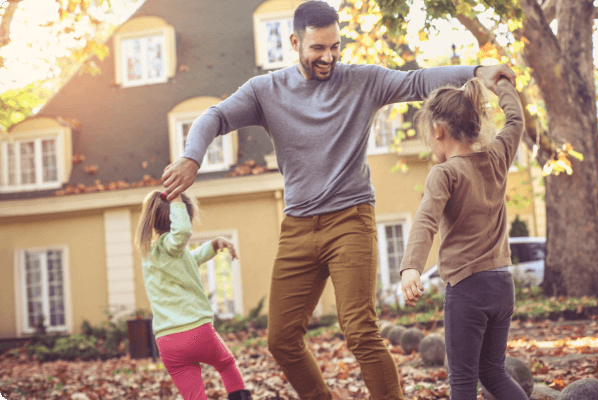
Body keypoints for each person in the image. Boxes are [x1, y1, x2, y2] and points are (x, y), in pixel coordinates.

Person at [161, 1, 516, 398]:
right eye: (317, 48)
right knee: (281, 339)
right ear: (294, 42)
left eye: (335, 47)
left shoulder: (361, 81)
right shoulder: (266, 91)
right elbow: (214, 116)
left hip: (351, 220)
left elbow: (417, 81)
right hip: (297, 227)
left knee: (360, 331)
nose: (328, 57)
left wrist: (476, 73)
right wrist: (192, 157)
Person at [399, 77, 529, 400]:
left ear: (439, 131)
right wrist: (503, 85)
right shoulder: (497, 157)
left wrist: (411, 266)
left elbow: (426, 218)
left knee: (462, 383)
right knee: (493, 372)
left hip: (467, 289)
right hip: (502, 285)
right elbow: (516, 120)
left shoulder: (444, 173)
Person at [135, 190, 252, 400]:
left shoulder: (150, 254)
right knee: (226, 365)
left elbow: (189, 260)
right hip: (196, 330)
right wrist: (177, 197)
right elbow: (181, 233)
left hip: (167, 341)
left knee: (194, 396)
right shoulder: (172, 244)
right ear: (181, 218)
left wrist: (214, 245)